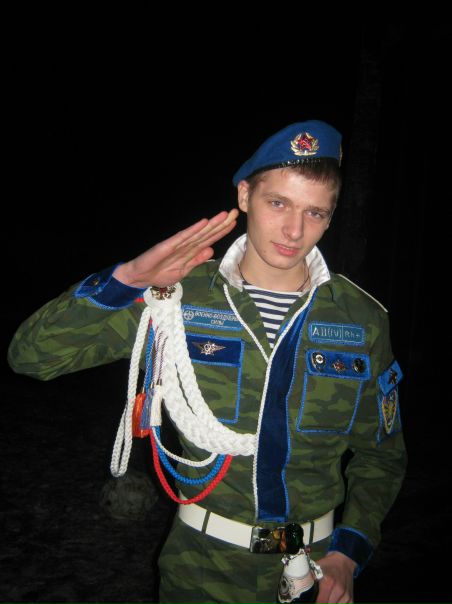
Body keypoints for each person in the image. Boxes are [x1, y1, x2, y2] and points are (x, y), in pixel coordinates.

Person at [8, 120, 407, 604]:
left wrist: (349, 552)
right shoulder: (176, 296)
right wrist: (127, 279)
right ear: (245, 196)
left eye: (315, 212)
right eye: (278, 203)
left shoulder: (360, 319)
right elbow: (32, 357)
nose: (295, 230)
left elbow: (382, 456)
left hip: (317, 571)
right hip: (202, 571)